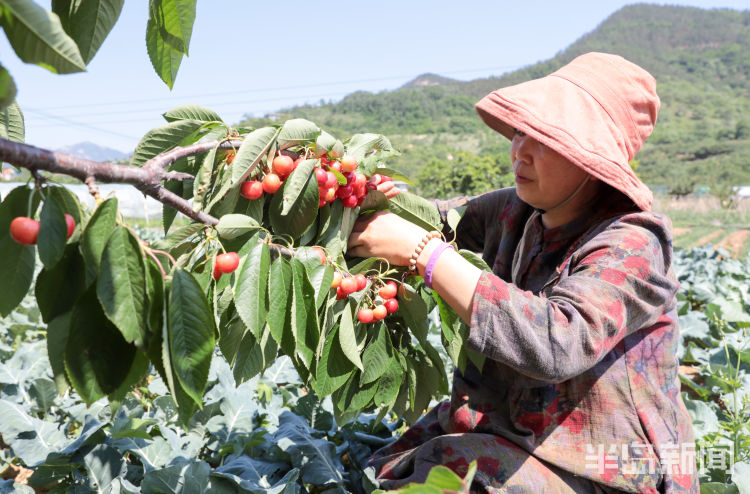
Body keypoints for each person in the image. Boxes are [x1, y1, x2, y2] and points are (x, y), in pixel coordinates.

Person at [347, 52, 697, 493]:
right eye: (519, 133)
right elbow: (436, 219)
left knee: (450, 475)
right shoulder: (518, 210)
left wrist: (425, 254)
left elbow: (560, 341)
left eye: (546, 141)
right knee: (394, 467)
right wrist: (363, 197)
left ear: (592, 160)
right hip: (518, 430)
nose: (520, 152)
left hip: (608, 468)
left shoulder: (631, 243)